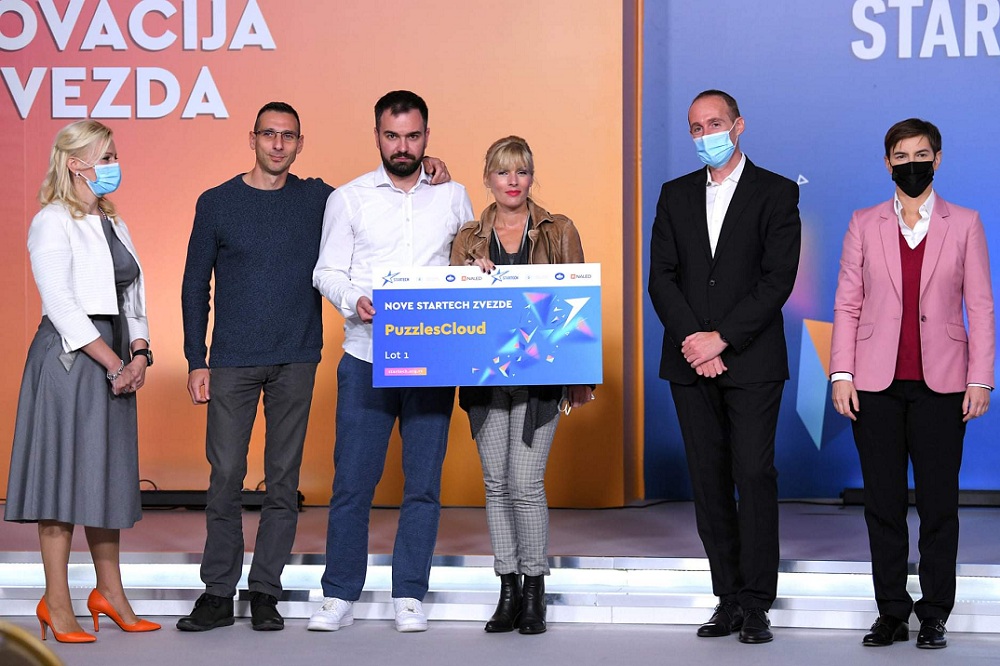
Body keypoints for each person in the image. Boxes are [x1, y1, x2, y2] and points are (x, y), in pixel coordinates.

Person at [179, 100, 456, 633]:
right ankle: (217, 593)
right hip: (235, 359)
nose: (278, 144)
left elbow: (405, 186)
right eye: (269, 134)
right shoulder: (217, 202)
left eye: (289, 136)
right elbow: (196, 286)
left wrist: (432, 166)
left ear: (300, 144)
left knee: (283, 483)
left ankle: (265, 590)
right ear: (252, 137)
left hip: (299, 357)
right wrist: (197, 358)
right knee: (226, 479)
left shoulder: (321, 198)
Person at [308, 90, 473, 634]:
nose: (403, 146)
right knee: (353, 482)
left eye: (413, 136)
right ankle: (339, 594)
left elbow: (470, 269)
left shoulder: (453, 196)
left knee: (423, 483)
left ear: (427, 135)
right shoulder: (349, 199)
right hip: (365, 356)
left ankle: (410, 593)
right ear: (376, 135)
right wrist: (353, 299)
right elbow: (325, 270)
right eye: (392, 135)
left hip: (431, 360)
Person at [830, 118, 994, 650]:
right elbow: (847, 302)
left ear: (938, 159)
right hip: (874, 384)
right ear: (887, 164)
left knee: (939, 504)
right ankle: (892, 612)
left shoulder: (965, 222)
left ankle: (936, 612)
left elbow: (981, 307)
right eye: (901, 156)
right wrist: (841, 372)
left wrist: (981, 379)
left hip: (943, 384)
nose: (911, 164)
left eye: (921, 154)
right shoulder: (863, 222)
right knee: (882, 502)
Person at [647, 90, 800, 644]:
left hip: (753, 361)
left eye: (714, 123)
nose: (704, 133)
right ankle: (728, 598)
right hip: (689, 362)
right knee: (709, 482)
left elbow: (776, 280)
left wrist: (722, 340)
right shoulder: (673, 195)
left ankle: (758, 603)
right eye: (694, 127)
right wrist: (695, 341)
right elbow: (660, 278)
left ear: (738, 126)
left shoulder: (777, 193)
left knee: (754, 476)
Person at [5, 120, 159, 643]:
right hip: (72, 360)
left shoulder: (116, 223)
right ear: (75, 163)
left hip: (115, 355)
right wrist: (111, 362)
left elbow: (133, 297)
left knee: (108, 477)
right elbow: (62, 305)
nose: (114, 164)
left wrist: (139, 352)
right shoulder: (52, 220)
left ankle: (110, 594)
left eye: (115, 155)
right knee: (62, 480)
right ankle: (57, 602)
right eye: (105, 155)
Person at [449, 136, 594, 634]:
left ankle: (535, 588)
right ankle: (506, 587)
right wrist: (469, 277)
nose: (513, 182)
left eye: (522, 172)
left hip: (540, 381)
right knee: (495, 484)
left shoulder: (559, 229)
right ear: (487, 177)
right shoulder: (468, 237)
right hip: (485, 381)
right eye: (503, 172)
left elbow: (577, 300)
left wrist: (579, 376)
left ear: (532, 177)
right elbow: (455, 312)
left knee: (525, 483)